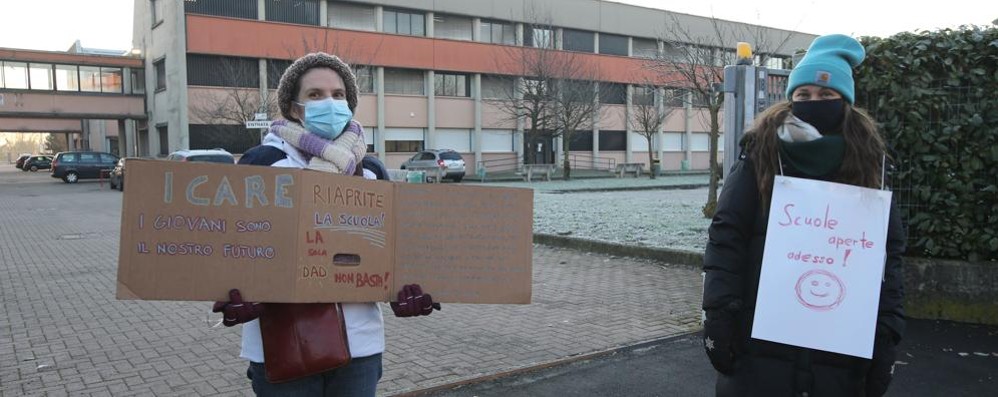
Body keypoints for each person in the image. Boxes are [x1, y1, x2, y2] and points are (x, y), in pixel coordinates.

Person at [211, 52, 440, 396]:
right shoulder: (264, 163)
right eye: (315, 95)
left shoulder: (370, 169)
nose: (329, 102)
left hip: (359, 347)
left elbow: (389, 249)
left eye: (338, 95)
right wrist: (234, 290)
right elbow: (233, 242)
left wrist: (402, 292)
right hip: (282, 342)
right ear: (293, 107)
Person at [701, 34, 905, 397]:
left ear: (845, 101)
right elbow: (726, 236)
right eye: (804, 95)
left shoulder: (873, 165)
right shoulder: (761, 154)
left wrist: (886, 336)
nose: (815, 103)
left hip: (839, 358)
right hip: (758, 350)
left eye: (827, 96)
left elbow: (888, 259)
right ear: (791, 99)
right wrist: (720, 314)